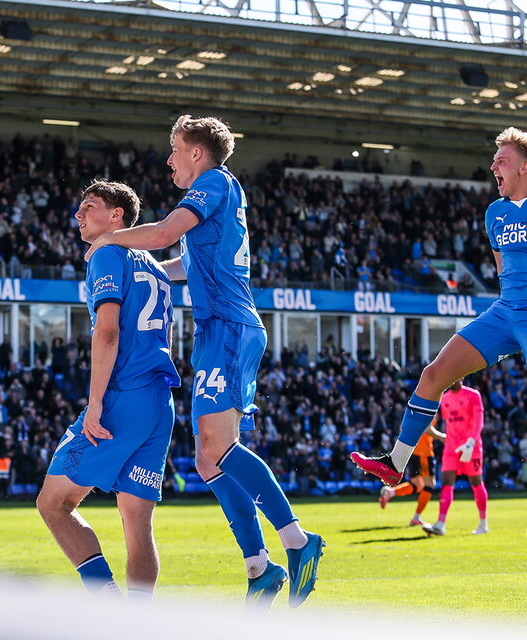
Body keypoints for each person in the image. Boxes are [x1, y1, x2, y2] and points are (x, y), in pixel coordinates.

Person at [84, 115, 324, 609]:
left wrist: (110, 240)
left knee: (219, 444)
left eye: (174, 149)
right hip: (218, 332)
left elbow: (165, 233)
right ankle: (259, 567)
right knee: (208, 458)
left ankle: (299, 541)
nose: (169, 159)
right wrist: (133, 264)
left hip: (231, 329)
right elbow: (175, 265)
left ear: (197, 152)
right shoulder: (211, 214)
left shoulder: (213, 182)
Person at [350, 127, 527, 541]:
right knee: (433, 374)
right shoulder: (495, 214)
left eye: (502, 160)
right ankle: (394, 462)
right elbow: (502, 269)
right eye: (495, 160)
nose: (494, 166)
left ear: (525, 168)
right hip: (505, 310)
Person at [36, 180, 180, 602]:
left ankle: (107, 605)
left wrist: (95, 403)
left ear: (116, 216)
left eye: (89, 206)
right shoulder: (148, 261)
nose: (79, 215)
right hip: (159, 400)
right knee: (137, 525)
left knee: (53, 504)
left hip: (123, 395)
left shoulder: (107, 253)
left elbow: (108, 333)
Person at [420, 379, 489, 536]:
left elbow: (479, 422)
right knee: (446, 482)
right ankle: (441, 524)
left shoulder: (473, 395)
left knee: (476, 482)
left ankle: (483, 523)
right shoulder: (444, 398)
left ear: (462, 377)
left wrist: (471, 442)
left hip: (471, 445)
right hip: (452, 446)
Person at [379, 422, 445, 526]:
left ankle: (391, 492)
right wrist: (443, 437)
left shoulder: (415, 405)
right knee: (430, 485)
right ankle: (416, 518)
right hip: (424, 451)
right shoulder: (431, 405)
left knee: (418, 485)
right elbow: (427, 428)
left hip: (412, 450)